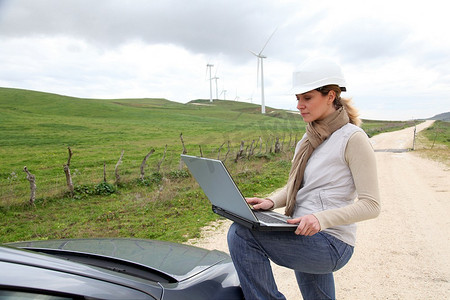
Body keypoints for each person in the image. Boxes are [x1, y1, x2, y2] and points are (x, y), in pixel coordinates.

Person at [227, 57, 381, 300]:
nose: (299, 105)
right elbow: (299, 186)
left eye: (307, 98)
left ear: (331, 96)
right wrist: (271, 201)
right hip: (302, 229)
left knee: (241, 234)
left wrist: (319, 219)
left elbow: (371, 205)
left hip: (330, 241)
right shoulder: (309, 137)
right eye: (297, 98)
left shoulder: (353, 138)